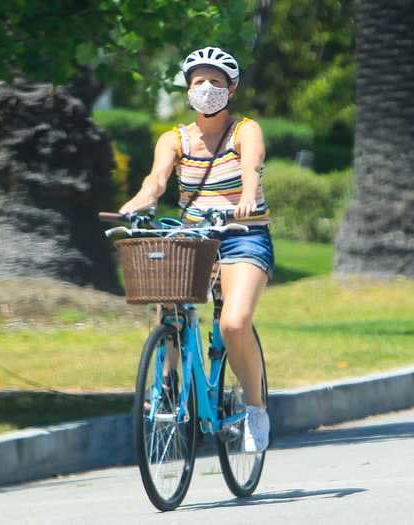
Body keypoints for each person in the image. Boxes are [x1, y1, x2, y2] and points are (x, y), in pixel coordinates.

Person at [118, 46, 274, 453]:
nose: (207, 89)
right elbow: (157, 179)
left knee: (234, 324)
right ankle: (168, 384)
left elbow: (250, 168)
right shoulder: (175, 138)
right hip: (195, 238)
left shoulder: (245, 130)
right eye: (198, 82)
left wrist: (248, 195)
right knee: (167, 302)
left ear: (232, 89)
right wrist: (140, 201)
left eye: (216, 82)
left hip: (243, 233)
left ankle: (256, 408)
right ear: (187, 90)